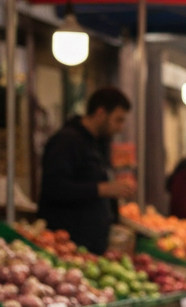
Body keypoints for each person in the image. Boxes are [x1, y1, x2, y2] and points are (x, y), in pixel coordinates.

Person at [38, 87, 134, 255]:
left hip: (92, 247)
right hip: (69, 247)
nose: (120, 127)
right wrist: (103, 189)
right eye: (118, 120)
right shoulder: (66, 141)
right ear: (100, 113)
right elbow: (54, 187)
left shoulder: (97, 144)